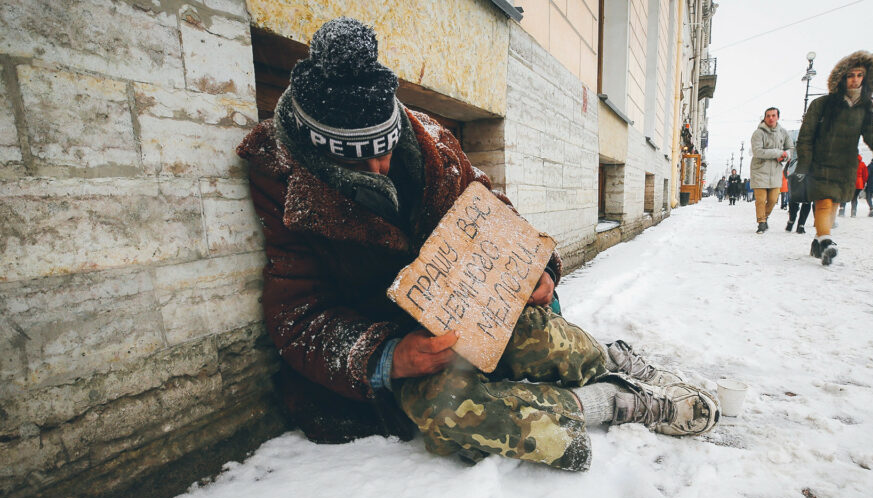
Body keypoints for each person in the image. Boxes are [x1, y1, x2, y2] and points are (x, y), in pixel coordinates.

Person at [235, 17, 719, 473]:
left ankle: (607, 359)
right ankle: (614, 402)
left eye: (384, 150)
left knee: (534, 334)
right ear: (319, 151)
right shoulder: (282, 182)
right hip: (396, 341)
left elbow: (491, 209)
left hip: (470, 311)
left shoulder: (428, 141)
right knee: (451, 414)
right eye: (359, 165)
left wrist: (537, 269)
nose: (380, 169)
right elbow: (298, 317)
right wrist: (391, 356)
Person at [794, 51, 873, 266]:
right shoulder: (822, 104)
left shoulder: (864, 108)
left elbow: (871, 133)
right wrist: (804, 163)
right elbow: (806, 135)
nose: (855, 79)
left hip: (845, 165)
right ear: (842, 79)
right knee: (824, 202)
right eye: (850, 75)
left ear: (865, 79)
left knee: (833, 204)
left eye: (859, 75)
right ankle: (827, 241)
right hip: (821, 161)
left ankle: (819, 240)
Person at [749, 107, 795, 234]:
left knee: (774, 199)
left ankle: (764, 216)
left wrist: (785, 156)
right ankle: (761, 222)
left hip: (775, 171)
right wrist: (778, 152)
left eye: (773, 115)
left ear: (778, 117)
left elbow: (790, 148)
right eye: (768, 115)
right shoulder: (758, 133)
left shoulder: (783, 133)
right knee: (760, 200)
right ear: (764, 118)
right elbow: (758, 151)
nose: (771, 118)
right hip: (759, 170)